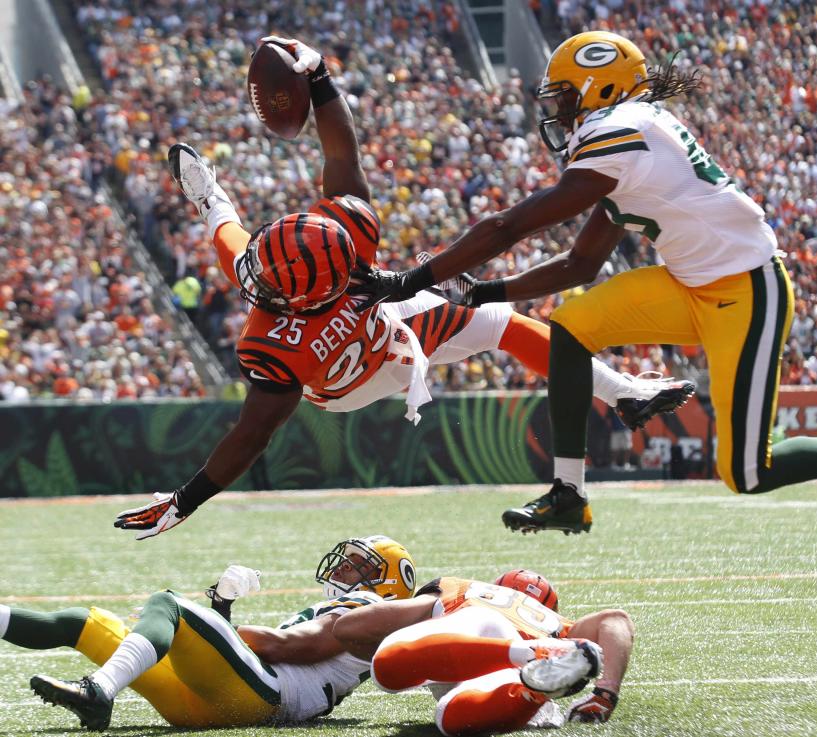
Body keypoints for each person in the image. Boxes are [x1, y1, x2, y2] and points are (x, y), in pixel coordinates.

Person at [350, 30, 817, 534]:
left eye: (564, 96)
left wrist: (412, 279)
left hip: (747, 290)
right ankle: (568, 495)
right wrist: (481, 292)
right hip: (689, 282)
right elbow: (580, 266)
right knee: (572, 328)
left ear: (600, 89)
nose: (557, 110)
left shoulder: (622, 130)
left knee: (746, 472)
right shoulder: (634, 136)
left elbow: (508, 226)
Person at [114, 35, 693, 541]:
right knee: (491, 323)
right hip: (351, 373)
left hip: (356, 350)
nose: (255, 275)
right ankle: (619, 392)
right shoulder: (346, 247)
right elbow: (339, 155)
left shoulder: (272, 324)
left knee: (491, 324)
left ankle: (622, 394)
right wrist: (317, 79)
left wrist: (182, 502)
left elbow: (252, 431)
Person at [0, 535, 415, 731]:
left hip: (265, 698)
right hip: (212, 702)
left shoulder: (371, 611)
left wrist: (210, 617)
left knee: (168, 604)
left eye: (360, 565)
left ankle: (97, 693)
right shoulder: (349, 607)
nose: (343, 567)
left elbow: (292, 647)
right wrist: (220, 609)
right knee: (84, 623)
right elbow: (237, 656)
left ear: (388, 585)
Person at [331, 568, 634, 734]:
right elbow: (615, 620)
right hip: (521, 671)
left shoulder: (465, 588)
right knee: (450, 716)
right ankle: (534, 690)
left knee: (387, 668)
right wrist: (604, 694)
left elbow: (350, 628)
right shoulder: (561, 626)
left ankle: (526, 653)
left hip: (476, 625)